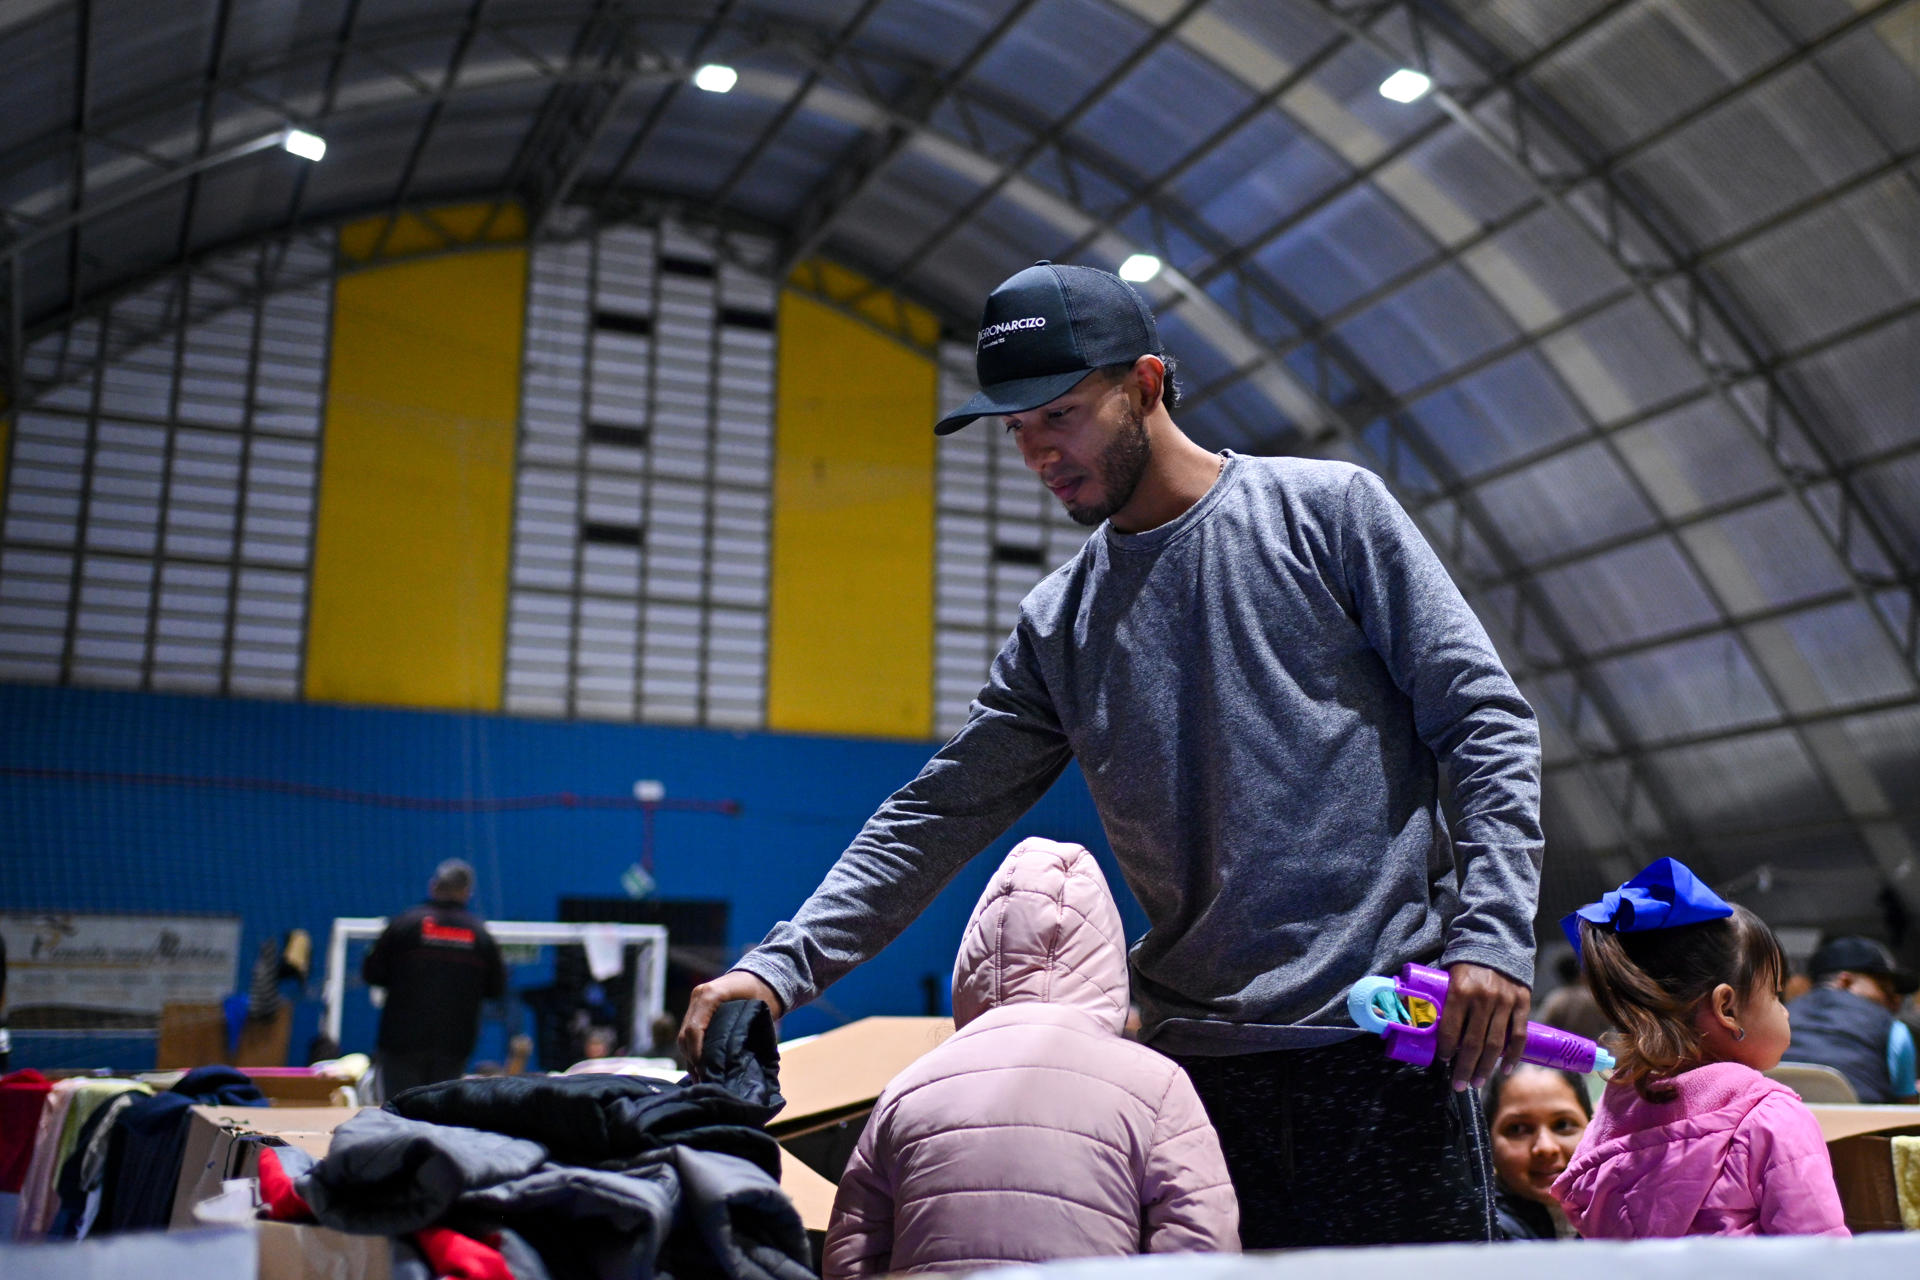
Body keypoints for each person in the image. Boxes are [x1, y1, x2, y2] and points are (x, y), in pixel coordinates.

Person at [680, 260, 1543, 1248]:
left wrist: (1489, 932)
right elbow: (932, 816)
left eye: (1060, 414)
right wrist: (777, 970)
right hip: (1197, 1077)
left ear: (1144, 382)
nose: (1038, 452)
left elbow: (1483, 716)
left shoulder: (1329, 514)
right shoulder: (1063, 623)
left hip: (1385, 1050)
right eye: (1016, 430)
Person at [823, 838, 1237, 1275]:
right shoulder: (1157, 1086)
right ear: (1104, 951)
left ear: (977, 952)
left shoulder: (909, 1089)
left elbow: (851, 1255)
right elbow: (1202, 1244)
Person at [1551, 858, 1847, 1237]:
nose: (1785, 1012)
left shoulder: (1608, 1123)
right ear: (1727, 1008)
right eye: (1775, 995)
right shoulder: (1770, 1119)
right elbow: (1820, 1260)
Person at [362, 858, 506, 1100]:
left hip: (401, 1041)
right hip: (453, 1044)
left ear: (434, 886)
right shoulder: (480, 935)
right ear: (467, 893)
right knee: (439, 1117)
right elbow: (496, 988)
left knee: (400, 1114)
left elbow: (372, 973)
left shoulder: (405, 924)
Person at [1785, 935, 1918, 1104]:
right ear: (1846, 981)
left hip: (1779, 1124)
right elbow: (1906, 1112)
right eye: (1885, 989)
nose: (1894, 1001)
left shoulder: (1783, 1015)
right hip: (1859, 1128)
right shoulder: (1893, 1029)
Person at [1483, 1065, 1589, 1239]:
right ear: (1488, 1143)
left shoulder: (1628, 1219)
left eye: (1563, 1125)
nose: (1546, 1148)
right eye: (1517, 1129)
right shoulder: (1480, 1235)